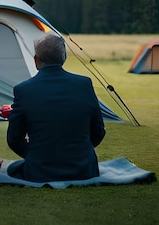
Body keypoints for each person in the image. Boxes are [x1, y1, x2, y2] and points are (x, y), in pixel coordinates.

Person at [6, 33, 106, 182]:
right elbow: (98, 131)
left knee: (13, 169)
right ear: (63, 57)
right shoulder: (84, 84)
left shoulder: (23, 90)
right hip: (84, 170)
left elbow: (14, 139)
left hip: (40, 171)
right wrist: (79, 153)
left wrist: (36, 156)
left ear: (36, 60)